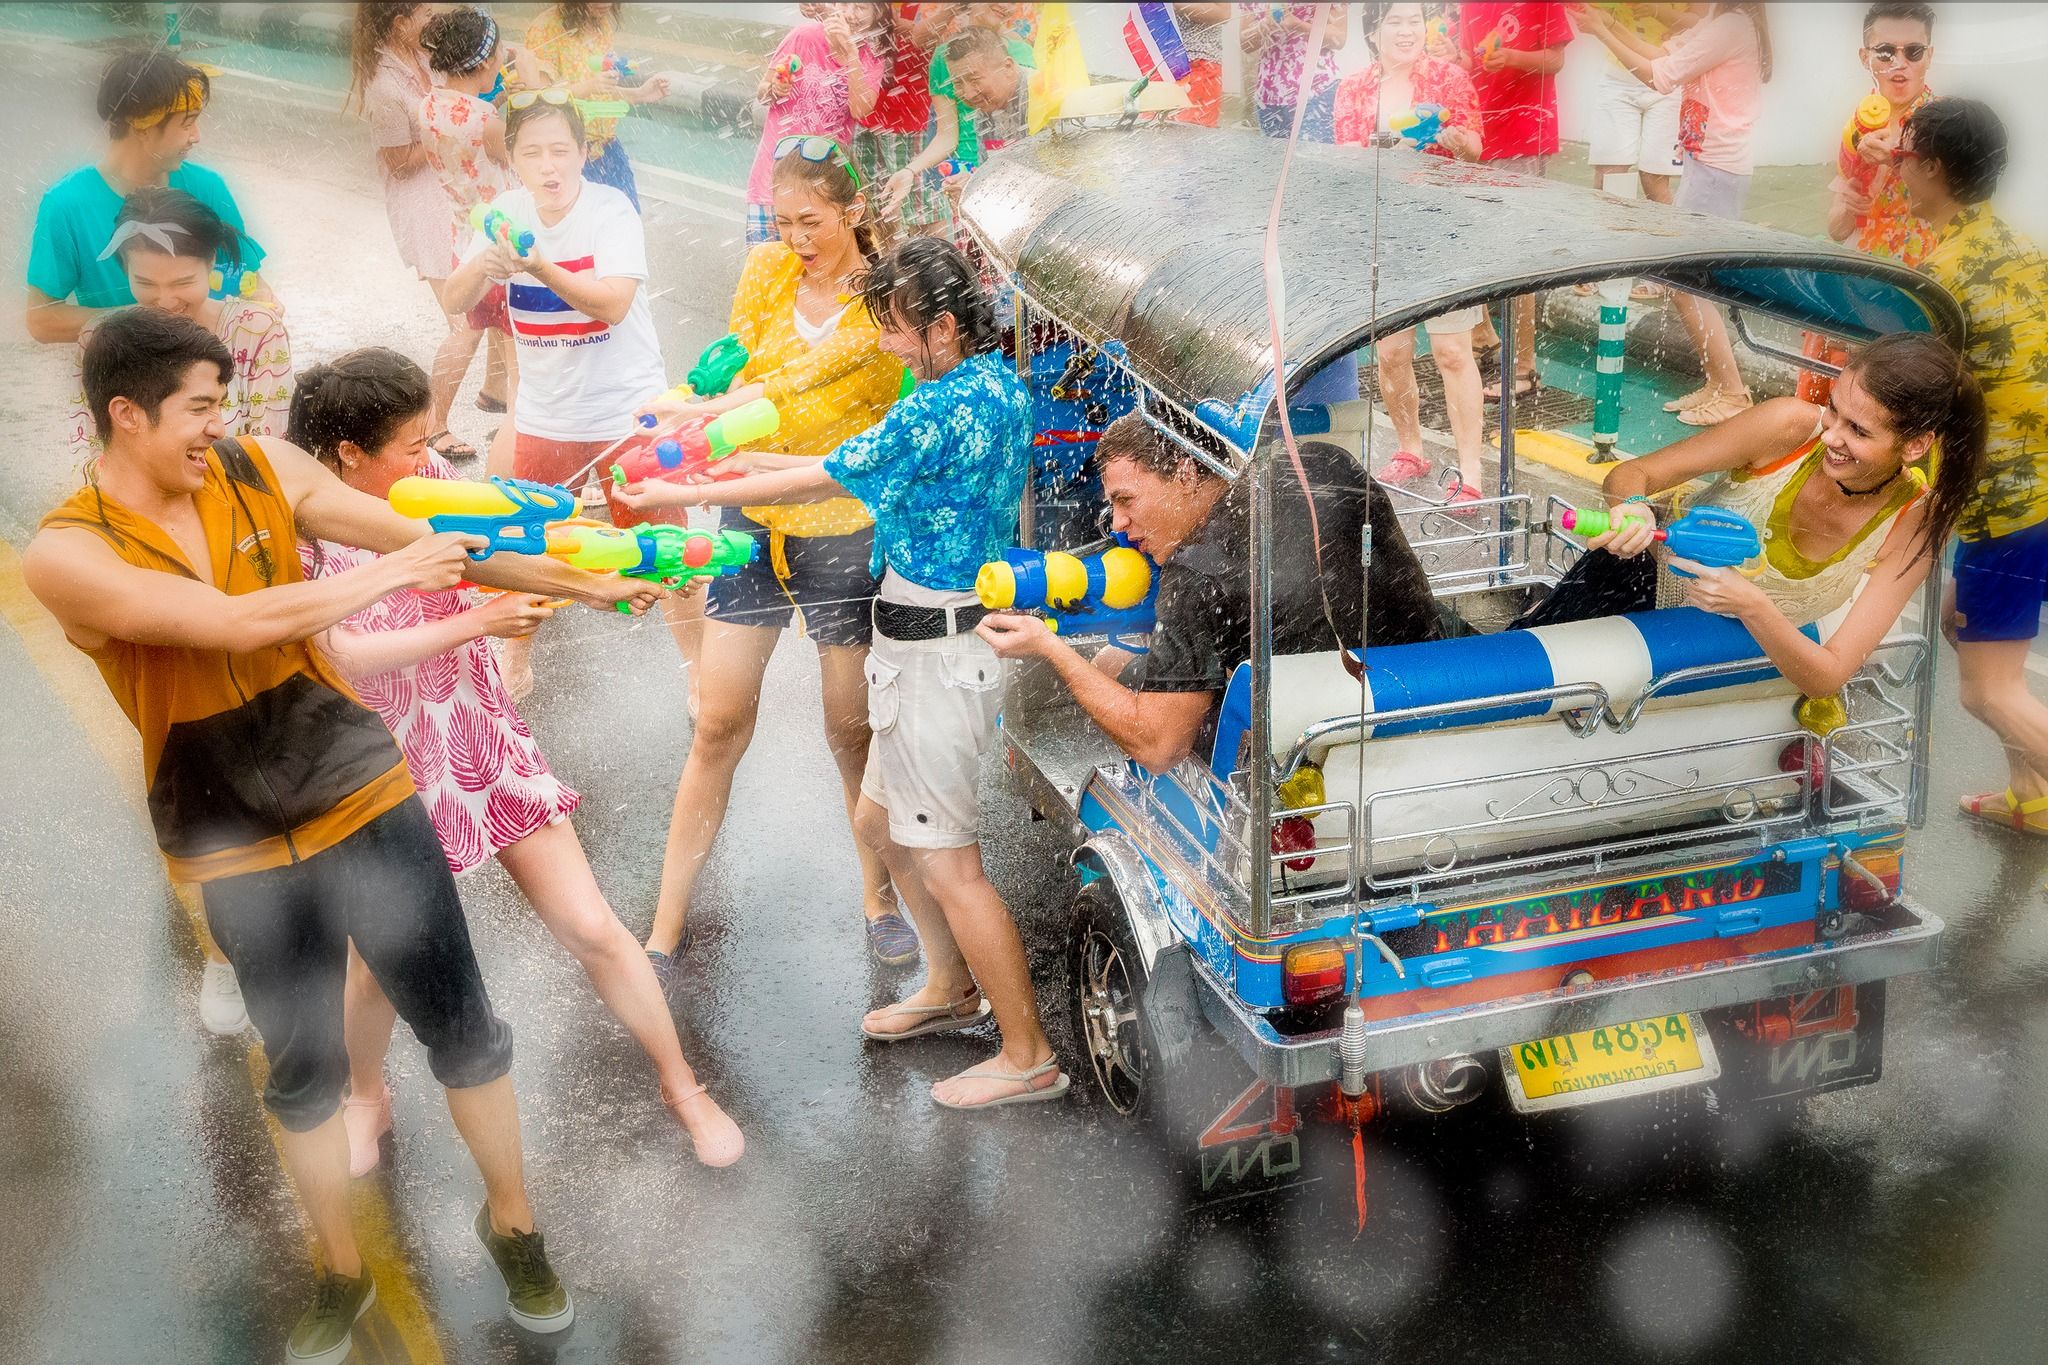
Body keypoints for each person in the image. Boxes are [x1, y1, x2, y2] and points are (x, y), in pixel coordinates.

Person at [22, 310, 656, 1363]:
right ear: (124, 416)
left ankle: (514, 1226)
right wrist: (392, 578)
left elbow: (432, 546)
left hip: (356, 784)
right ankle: (338, 1267)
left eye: (221, 406)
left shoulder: (258, 466)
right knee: (302, 1069)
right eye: (195, 409)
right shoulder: (66, 554)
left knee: (464, 1029)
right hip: (226, 833)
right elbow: (225, 622)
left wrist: (580, 582)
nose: (216, 429)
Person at [620, 238, 1060, 1111]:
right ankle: (948, 985)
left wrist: (670, 497)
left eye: (898, 330)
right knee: (880, 823)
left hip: (939, 654)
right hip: (925, 638)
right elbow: (832, 471)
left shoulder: (935, 411)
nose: (888, 345)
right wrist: (734, 467)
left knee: (953, 865)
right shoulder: (991, 385)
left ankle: (1028, 1053)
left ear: (941, 327)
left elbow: (820, 477)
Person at [285, 348, 744, 1170]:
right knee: (369, 969)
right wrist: (479, 623)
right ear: (349, 452)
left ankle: (684, 1084)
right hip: (379, 768)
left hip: (480, 741)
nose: (430, 457)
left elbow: (493, 566)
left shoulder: (427, 497)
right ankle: (367, 1095)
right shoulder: (306, 536)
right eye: (408, 443)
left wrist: (582, 583)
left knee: (594, 926)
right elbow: (345, 653)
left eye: (429, 438)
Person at [627, 136, 911, 980]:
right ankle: (665, 919)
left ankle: (878, 897)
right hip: (753, 518)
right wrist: (698, 396)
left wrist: (689, 422)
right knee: (717, 720)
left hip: (837, 522)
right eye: (784, 222)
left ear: (853, 210)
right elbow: (741, 363)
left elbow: (787, 388)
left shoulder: (879, 306)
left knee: (847, 727)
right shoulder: (764, 269)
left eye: (813, 220)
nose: (798, 238)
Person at [1517, 333, 1985, 702]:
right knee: (1515, 692)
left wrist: (1753, 606)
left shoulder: (1914, 521)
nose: (1831, 437)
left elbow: (1828, 675)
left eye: (1858, 431)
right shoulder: (1787, 428)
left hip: (1719, 673)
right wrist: (1633, 507)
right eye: (1834, 412)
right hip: (1628, 591)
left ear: (1916, 445)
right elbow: (1633, 473)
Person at [979, 413, 1443, 772]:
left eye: (1126, 500)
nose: (1119, 525)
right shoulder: (1319, 461)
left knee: (1108, 664)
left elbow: (1160, 747)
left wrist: (1052, 648)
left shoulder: (1196, 573)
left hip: (1316, 745)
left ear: (1184, 472)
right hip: (1428, 690)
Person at [443, 93, 667, 699]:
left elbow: (613, 303)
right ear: (512, 159)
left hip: (629, 409)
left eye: (561, 151)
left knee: (664, 548)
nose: (549, 166)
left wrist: (539, 265)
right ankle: (515, 664)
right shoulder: (504, 211)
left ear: (585, 153)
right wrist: (485, 266)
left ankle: (697, 663)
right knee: (531, 545)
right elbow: (452, 302)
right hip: (547, 415)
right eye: (533, 152)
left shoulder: (609, 209)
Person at [1893, 100, 2048, 837]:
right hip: (2040, 485)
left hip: (2013, 503)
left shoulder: (1938, 278)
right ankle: (2033, 793)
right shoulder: (2021, 246)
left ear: (1932, 166)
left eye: (1901, 155)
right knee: (1967, 628)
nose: (1893, 167)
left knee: (1989, 691)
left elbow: (1911, 396)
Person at [1575, 2, 1770, 427]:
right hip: (1709, 165)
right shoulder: (1721, 23)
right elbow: (1662, 55)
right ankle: (1718, 383)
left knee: (1687, 283)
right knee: (1687, 282)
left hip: (1718, 170)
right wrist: (1606, 24)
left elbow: (1659, 76)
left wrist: (1605, 33)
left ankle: (1733, 391)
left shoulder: (1732, 26)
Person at [1334, 2, 1488, 507]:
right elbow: (1343, 157)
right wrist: (1387, 145)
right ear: (1373, 32)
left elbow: (1475, 148)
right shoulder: (1355, 87)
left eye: (1413, 21)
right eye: (1394, 22)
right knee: (1391, 353)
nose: (1406, 31)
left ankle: (1470, 474)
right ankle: (1409, 448)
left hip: (1444, 229)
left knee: (1452, 352)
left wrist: (1443, 133)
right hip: (1383, 229)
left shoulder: (1447, 78)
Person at [26, 49, 270, 346]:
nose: (196, 136)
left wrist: (262, 310)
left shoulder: (208, 187)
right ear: (142, 124)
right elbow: (41, 320)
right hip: (128, 376)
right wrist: (143, 322)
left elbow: (252, 281)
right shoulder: (66, 205)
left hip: (214, 376)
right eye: (186, 122)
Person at [350, 1, 497, 461]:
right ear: (399, 24)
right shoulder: (384, 86)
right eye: (426, 12)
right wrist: (450, 131)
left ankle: (500, 395)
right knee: (465, 322)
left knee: (495, 310)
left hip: (458, 202)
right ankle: (435, 426)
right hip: (428, 212)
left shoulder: (428, 56)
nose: (435, 17)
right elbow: (395, 162)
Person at [66, 188, 291, 467]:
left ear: (210, 263)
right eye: (146, 283)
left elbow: (271, 455)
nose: (165, 301)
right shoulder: (99, 339)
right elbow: (91, 452)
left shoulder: (256, 332)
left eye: (182, 283)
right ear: (126, 271)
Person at [418, 6, 524, 473]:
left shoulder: (430, 104)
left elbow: (471, 127)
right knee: (514, 338)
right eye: (498, 53)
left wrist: (499, 101)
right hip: (500, 238)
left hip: (464, 232)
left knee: (473, 328)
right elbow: (515, 151)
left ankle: (444, 418)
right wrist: (531, 90)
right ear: (484, 62)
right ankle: (520, 437)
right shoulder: (486, 123)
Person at [1451, 1, 1571, 403]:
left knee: (1518, 252)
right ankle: (1484, 335)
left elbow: (1555, 60)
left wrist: (1512, 57)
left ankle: (1524, 366)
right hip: (1478, 132)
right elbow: (1469, 58)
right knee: (1474, 241)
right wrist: (1456, 57)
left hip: (1524, 131)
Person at [747, 3, 886, 245]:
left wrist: (851, 54)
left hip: (822, 184)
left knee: (811, 274)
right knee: (764, 272)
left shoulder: (872, 59)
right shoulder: (803, 36)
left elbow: (860, 110)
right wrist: (774, 89)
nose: (851, 14)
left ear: (877, 14)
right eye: (845, 4)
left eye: (862, 7)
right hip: (775, 175)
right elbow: (762, 92)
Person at [885, 8, 1035, 216]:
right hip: (967, 169)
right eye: (958, 82)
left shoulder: (1026, 56)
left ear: (1009, 67)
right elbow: (946, 134)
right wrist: (911, 170)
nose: (969, 92)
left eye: (974, 79)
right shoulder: (947, 58)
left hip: (1009, 177)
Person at [522, 2, 672, 210]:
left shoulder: (601, 25)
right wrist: (588, 86)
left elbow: (601, 91)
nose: (606, 3)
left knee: (625, 224)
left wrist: (639, 94)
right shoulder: (545, 29)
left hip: (607, 149)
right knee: (581, 236)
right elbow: (540, 99)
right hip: (567, 155)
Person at [1828, 2, 1939, 268]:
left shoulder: (1946, 122)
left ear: (1929, 56)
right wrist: (1848, 209)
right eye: (1886, 52)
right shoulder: (1858, 124)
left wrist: (1895, 158)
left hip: (1924, 276)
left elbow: (1958, 204)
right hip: (1864, 273)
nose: (1899, 64)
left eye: (1913, 51)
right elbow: (1836, 230)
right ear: (1865, 57)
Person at [1584, 5, 1695, 269]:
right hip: (1617, 77)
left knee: (1654, 180)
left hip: (1669, 78)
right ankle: (1600, 262)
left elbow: (1699, 21)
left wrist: (1655, 10)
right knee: (1611, 175)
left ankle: (1667, 269)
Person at [853, 5, 951, 240]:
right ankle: (890, 269)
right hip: (869, 111)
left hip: (909, 116)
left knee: (922, 209)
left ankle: (938, 269)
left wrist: (911, 27)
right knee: (878, 209)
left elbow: (923, 36)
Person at [1239, 3, 1348, 141]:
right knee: (1271, 160)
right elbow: (1245, 44)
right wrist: (1265, 25)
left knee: (1312, 159)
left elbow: (1339, 38)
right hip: (1269, 94)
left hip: (1316, 91)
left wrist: (1298, 25)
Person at [1173, 4, 1232, 127]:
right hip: (1159, 65)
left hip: (1198, 65)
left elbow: (1223, 13)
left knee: (1191, 138)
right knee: (1155, 134)